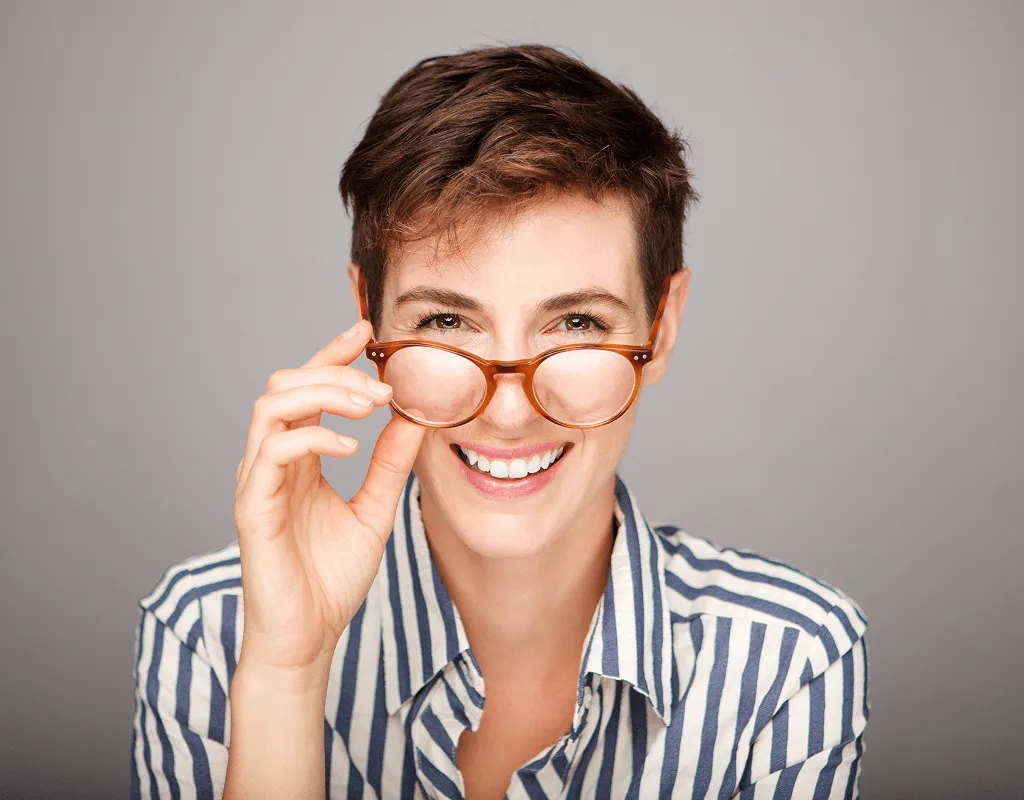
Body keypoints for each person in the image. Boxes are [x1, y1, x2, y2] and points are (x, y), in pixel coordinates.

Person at [130, 44, 869, 800]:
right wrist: (287, 674)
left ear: (664, 328)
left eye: (578, 323)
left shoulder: (786, 656)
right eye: (447, 321)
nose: (509, 412)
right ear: (366, 316)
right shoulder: (212, 633)